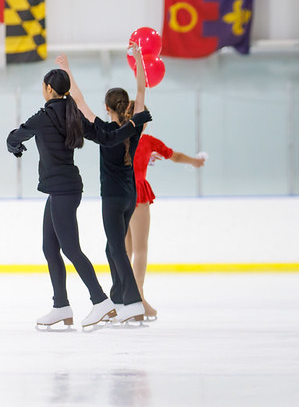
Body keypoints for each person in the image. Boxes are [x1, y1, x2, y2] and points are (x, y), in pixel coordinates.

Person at [7, 66, 151, 330]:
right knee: (50, 247)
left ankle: (100, 301)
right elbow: (108, 138)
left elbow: (18, 134)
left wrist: (13, 146)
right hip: (62, 189)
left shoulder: (45, 115)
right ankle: (60, 305)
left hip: (63, 190)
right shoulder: (72, 115)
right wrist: (133, 124)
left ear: (49, 89)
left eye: (43, 86)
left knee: (71, 248)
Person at [58, 48, 149, 324]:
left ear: (107, 108)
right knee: (113, 248)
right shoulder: (134, 127)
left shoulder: (101, 130)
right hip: (130, 196)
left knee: (117, 248)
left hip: (111, 197)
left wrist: (67, 70)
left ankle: (133, 302)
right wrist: (140, 59)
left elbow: (79, 99)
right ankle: (120, 298)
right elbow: (142, 91)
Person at [125, 107, 206, 320]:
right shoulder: (148, 141)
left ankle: (124, 295)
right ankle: (138, 298)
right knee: (140, 249)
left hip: (119, 193)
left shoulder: (118, 138)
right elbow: (174, 156)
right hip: (138, 193)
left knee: (125, 250)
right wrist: (195, 161)